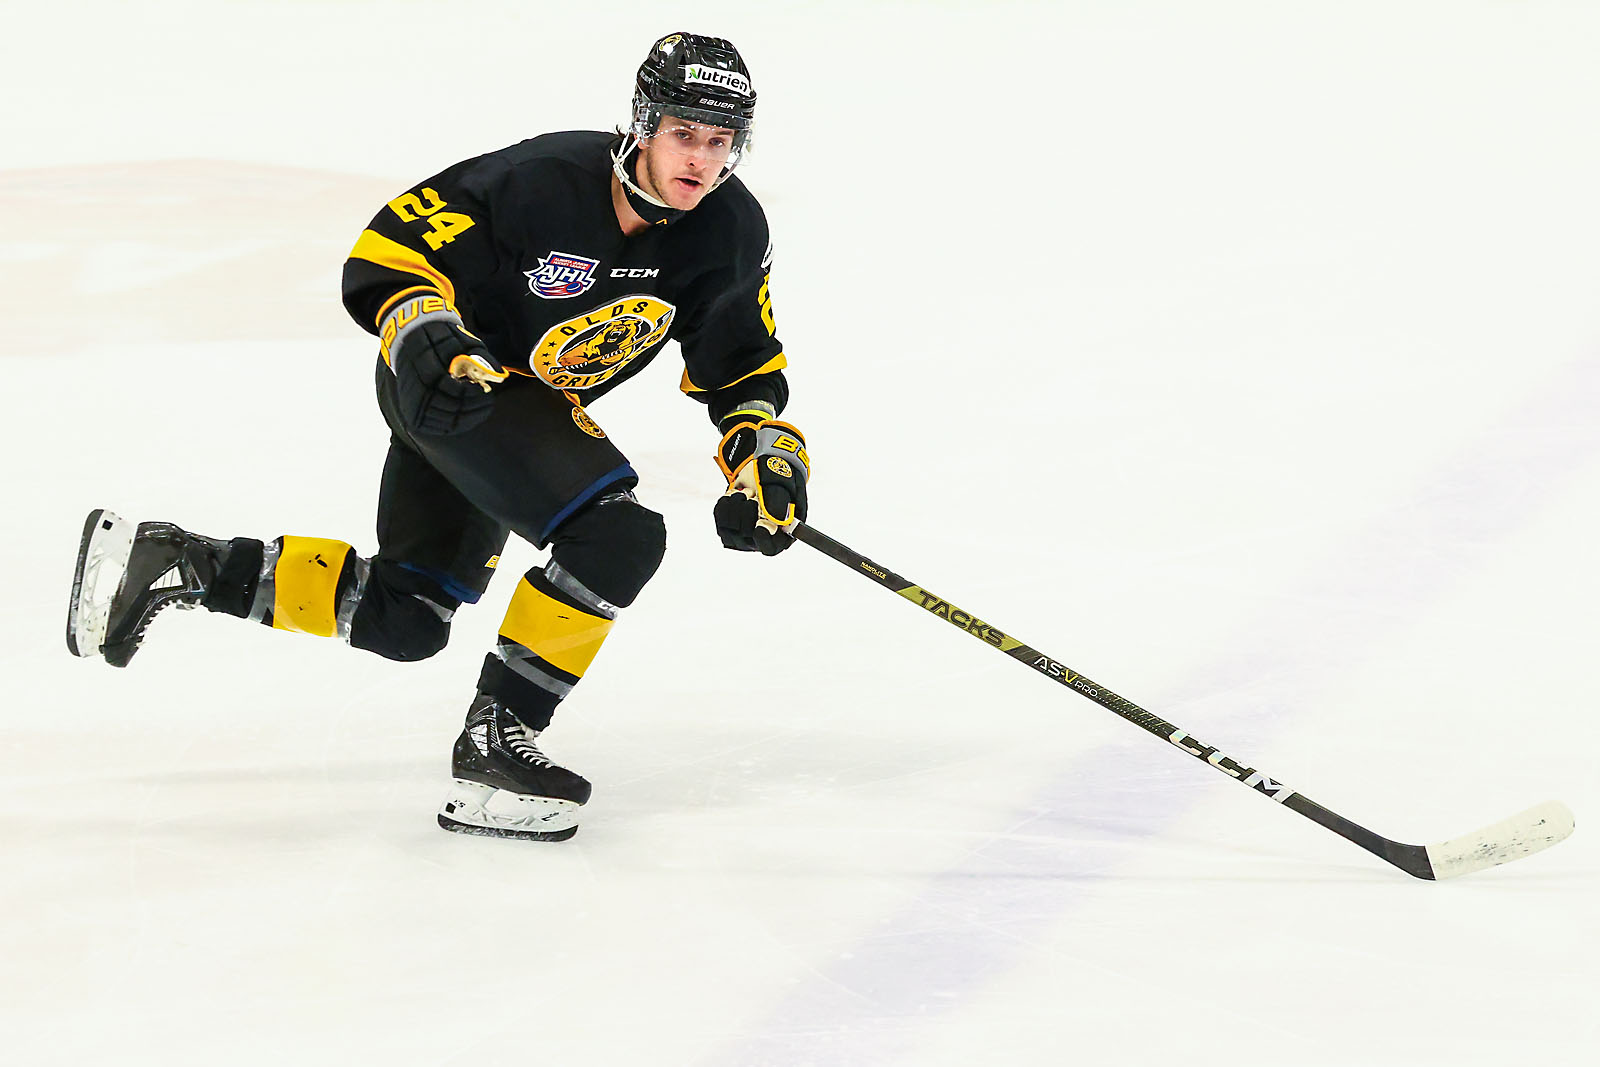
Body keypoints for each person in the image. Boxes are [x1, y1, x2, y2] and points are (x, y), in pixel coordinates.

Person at [64, 32, 808, 842]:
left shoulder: (728, 232)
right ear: (644, 122)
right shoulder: (539, 182)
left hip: (510, 412)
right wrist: (422, 325)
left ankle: (175, 560)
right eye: (684, 134)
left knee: (405, 617)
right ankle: (497, 740)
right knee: (617, 534)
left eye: (719, 139)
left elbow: (741, 363)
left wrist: (765, 453)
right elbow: (392, 245)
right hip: (451, 382)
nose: (701, 158)